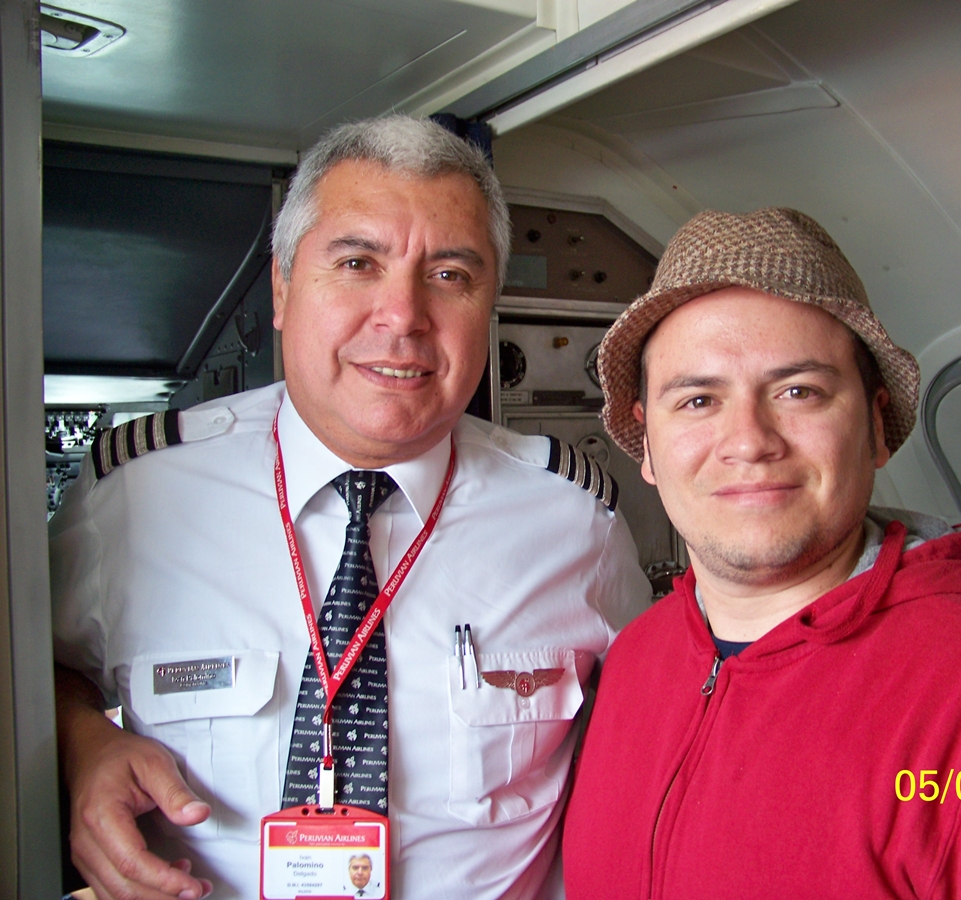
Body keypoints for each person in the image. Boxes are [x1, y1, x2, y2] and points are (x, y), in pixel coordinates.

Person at [51, 114, 650, 900]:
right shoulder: (132, 496)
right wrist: (81, 743)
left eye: (450, 275)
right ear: (282, 287)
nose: (402, 316)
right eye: (358, 262)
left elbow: (654, 720)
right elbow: (45, 674)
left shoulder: (576, 518)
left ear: (487, 305)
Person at [561, 207, 961, 898]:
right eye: (699, 400)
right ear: (646, 444)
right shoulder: (631, 663)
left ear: (877, 431)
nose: (749, 440)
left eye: (798, 391)